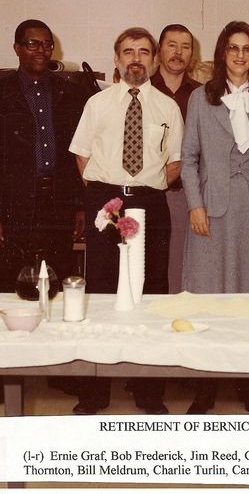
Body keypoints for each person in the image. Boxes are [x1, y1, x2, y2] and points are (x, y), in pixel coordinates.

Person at [69, 27, 184, 415]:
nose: (136, 58)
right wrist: (111, 191)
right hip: (106, 199)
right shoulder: (97, 104)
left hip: (151, 202)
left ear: (153, 60)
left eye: (144, 52)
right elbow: (82, 158)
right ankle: (95, 390)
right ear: (116, 59)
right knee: (101, 290)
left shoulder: (168, 108)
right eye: (128, 52)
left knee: (150, 291)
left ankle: (147, 388)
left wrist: (141, 190)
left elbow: (174, 163)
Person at [0, 19, 86, 405]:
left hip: (57, 201)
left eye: (46, 44)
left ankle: (56, 366)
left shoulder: (70, 92)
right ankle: (1, 376)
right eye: (31, 44)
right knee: (9, 286)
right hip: (13, 205)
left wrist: (77, 206)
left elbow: (75, 154)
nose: (39, 50)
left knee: (55, 284)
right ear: (17, 47)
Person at [181, 20, 249, 415]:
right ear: (222, 53)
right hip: (213, 208)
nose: (240, 56)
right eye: (233, 48)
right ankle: (205, 385)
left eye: (247, 49)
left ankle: (245, 381)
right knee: (208, 293)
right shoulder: (200, 100)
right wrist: (195, 204)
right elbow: (190, 158)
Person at [150, 23, 202, 293]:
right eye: (172, 45)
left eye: (185, 47)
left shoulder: (202, 95)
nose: (178, 52)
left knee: (182, 266)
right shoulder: (143, 91)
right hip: (148, 193)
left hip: (185, 194)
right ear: (159, 51)